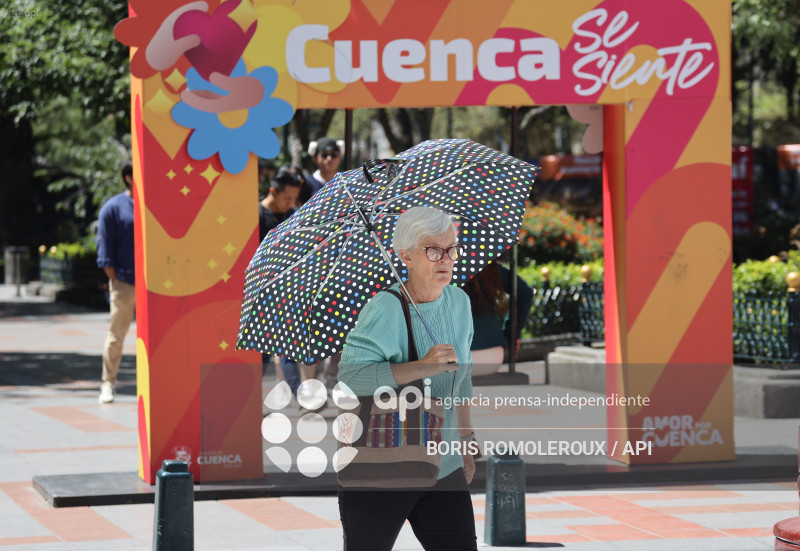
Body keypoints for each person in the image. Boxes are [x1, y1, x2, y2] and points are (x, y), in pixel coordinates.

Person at [337, 206, 477, 551]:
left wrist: (467, 441)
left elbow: (464, 377)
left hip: (444, 467)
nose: (445, 259)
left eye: (451, 248)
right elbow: (351, 379)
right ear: (406, 256)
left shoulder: (459, 302)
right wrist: (423, 366)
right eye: (433, 249)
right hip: (384, 468)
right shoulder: (384, 309)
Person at [258, 167, 305, 395]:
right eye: (287, 198)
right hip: (259, 293)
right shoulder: (256, 215)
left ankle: (298, 393)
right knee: (262, 352)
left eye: (294, 198)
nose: (291, 203)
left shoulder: (292, 215)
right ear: (273, 191)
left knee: (287, 344)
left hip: (285, 289)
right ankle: (248, 399)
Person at [96, 161, 136, 404]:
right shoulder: (112, 208)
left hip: (152, 284)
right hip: (124, 282)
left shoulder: (150, 204)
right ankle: (108, 383)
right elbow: (105, 251)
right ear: (129, 177)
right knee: (116, 335)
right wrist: (116, 281)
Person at [463, 259, 533, 376]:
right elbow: (525, 291)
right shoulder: (486, 266)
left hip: (451, 358)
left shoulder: (436, 269)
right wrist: (511, 332)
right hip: (491, 355)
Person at [300, 137, 342, 204]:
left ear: (340, 157)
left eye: (334, 155)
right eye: (324, 155)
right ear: (315, 158)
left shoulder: (345, 181)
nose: (329, 159)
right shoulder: (307, 184)